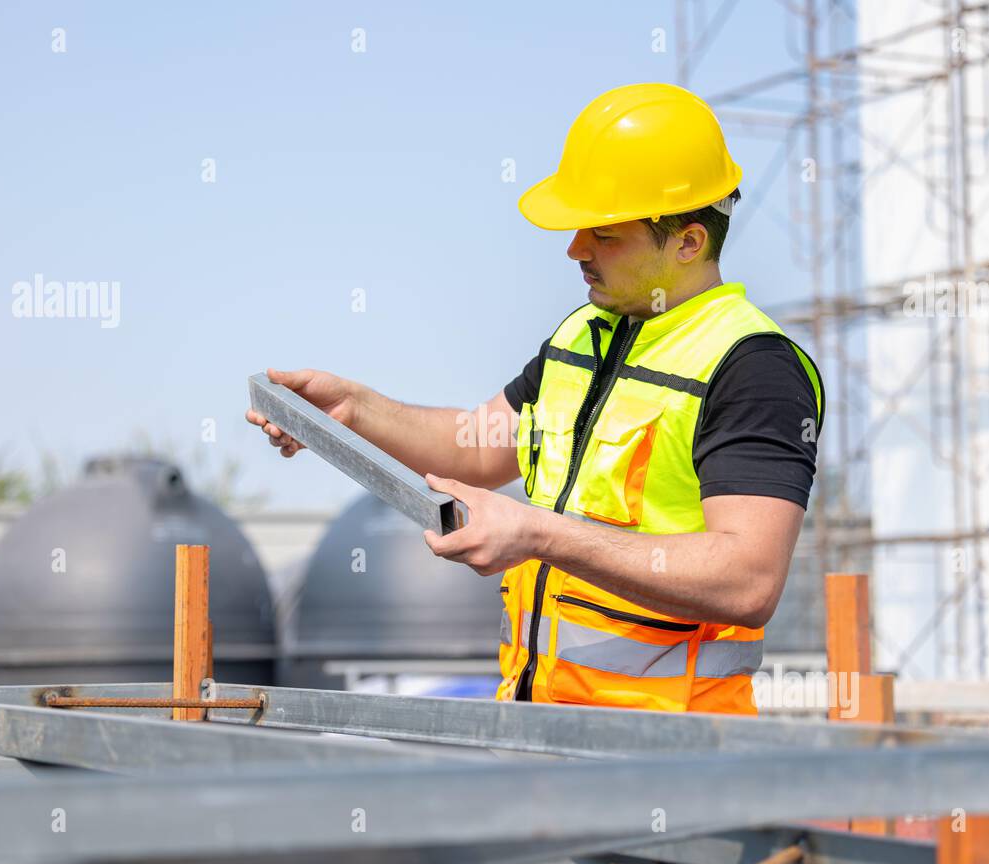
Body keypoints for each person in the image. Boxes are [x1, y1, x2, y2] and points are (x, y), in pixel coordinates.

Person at [247, 83, 823, 715]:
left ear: (688, 242)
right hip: (542, 733)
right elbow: (475, 447)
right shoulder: (583, 336)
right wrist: (354, 412)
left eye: (605, 234)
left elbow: (748, 579)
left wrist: (540, 535)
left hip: (671, 761)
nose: (575, 248)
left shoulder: (752, 366)